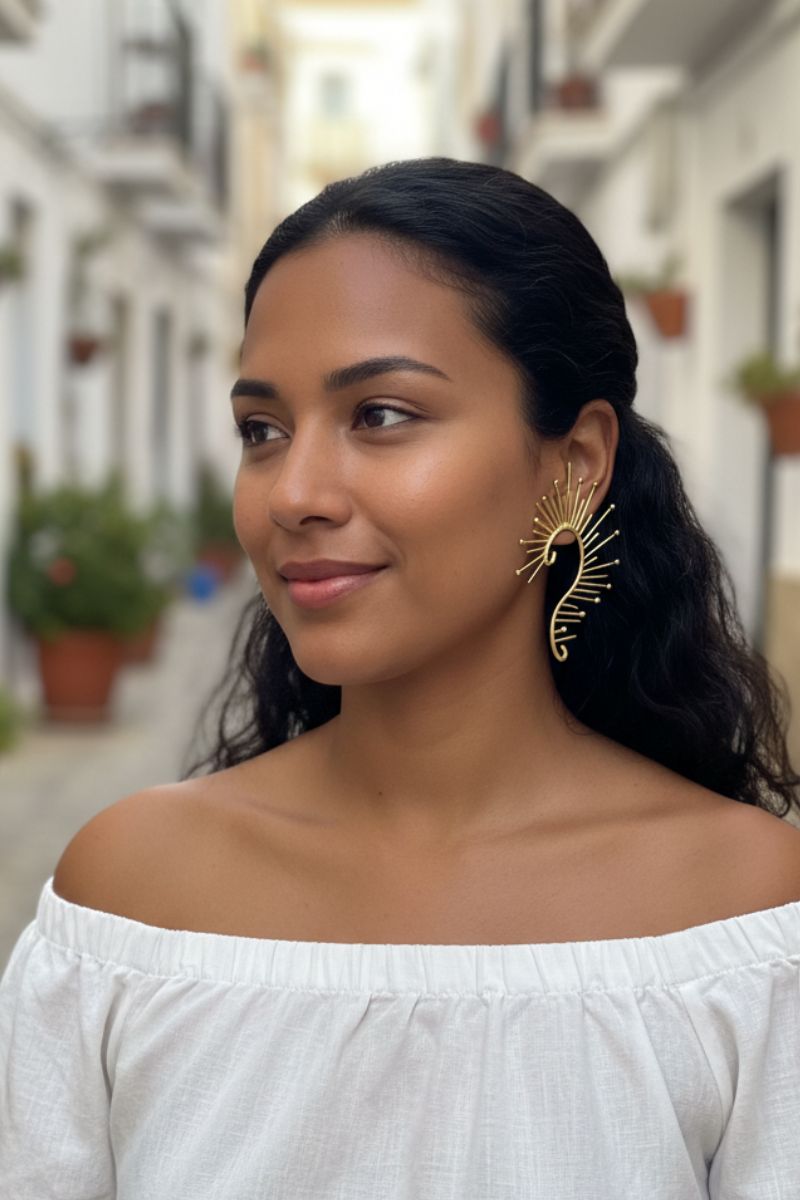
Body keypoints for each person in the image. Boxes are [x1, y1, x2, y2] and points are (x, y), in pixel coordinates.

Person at [2, 157, 800, 1198]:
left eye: (381, 414)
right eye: (261, 430)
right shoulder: (128, 905)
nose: (292, 492)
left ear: (572, 465)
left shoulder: (740, 924)